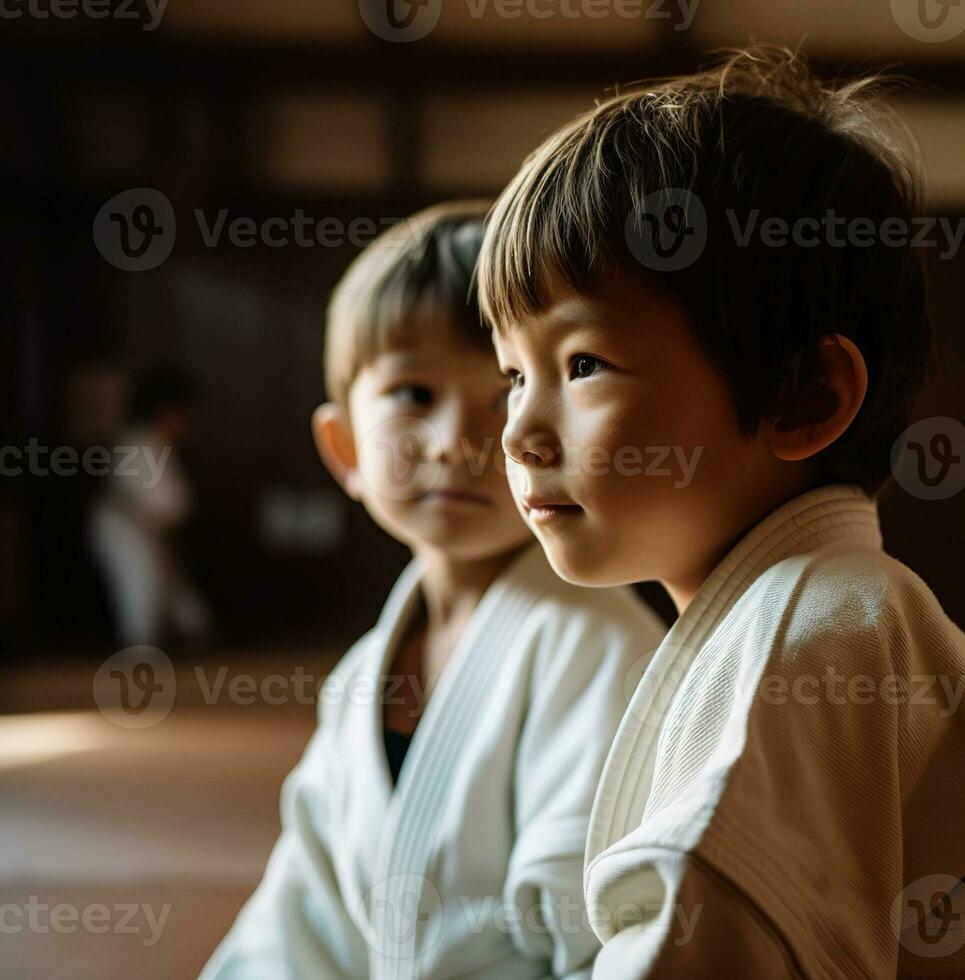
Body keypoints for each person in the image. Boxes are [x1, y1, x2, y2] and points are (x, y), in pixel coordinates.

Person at [479, 47, 965, 978]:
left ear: (803, 397)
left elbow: (706, 951)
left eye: (582, 364)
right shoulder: (816, 612)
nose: (517, 433)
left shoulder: (813, 635)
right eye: (514, 375)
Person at [202, 202, 667, 980]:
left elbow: (603, 935)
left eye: (506, 392)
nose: (459, 441)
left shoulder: (598, 646)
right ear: (345, 448)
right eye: (415, 395)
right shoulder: (358, 677)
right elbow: (299, 920)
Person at [87, 363, 212, 649]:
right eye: (183, 412)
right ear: (166, 411)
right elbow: (159, 506)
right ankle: (137, 662)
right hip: (125, 527)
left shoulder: (156, 444)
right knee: (140, 594)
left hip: (151, 532)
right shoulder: (137, 444)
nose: (188, 422)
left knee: (181, 604)